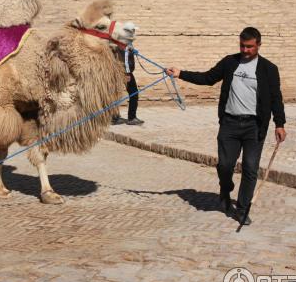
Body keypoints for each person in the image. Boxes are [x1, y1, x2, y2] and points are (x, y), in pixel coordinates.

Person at [166, 27, 286, 225]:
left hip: (254, 127)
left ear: (258, 45)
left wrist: (279, 124)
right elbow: (208, 78)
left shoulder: (268, 69)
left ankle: (242, 209)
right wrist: (181, 74)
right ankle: (225, 189)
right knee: (225, 165)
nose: (245, 50)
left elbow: (276, 98)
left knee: (250, 168)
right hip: (230, 123)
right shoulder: (230, 62)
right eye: (242, 46)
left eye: (249, 47)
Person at [112, 44, 144, 125]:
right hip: (125, 72)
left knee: (115, 93)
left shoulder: (118, 41)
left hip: (118, 71)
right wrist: (127, 73)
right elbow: (124, 58)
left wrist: (132, 51)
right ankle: (132, 118)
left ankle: (114, 117)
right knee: (134, 93)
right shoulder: (124, 42)